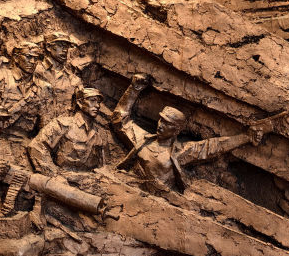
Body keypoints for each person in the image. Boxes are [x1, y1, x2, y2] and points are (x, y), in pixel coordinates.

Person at [110, 73, 267, 191]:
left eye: (167, 124)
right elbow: (119, 120)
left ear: (177, 130)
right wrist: (134, 89)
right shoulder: (142, 139)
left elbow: (214, 146)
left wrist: (246, 137)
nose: (161, 125)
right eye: (161, 120)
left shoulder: (181, 152)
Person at [28, 87, 109, 177]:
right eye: (92, 100)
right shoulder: (62, 124)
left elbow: (102, 167)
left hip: (89, 181)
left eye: (98, 102)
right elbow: (37, 147)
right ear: (80, 102)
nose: (97, 106)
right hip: (63, 179)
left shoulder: (99, 135)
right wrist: (53, 175)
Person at [35, 31, 82, 119]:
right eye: (60, 46)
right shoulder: (36, 71)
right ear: (48, 47)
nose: (65, 50)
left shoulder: (73, 79)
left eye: (66, 47)